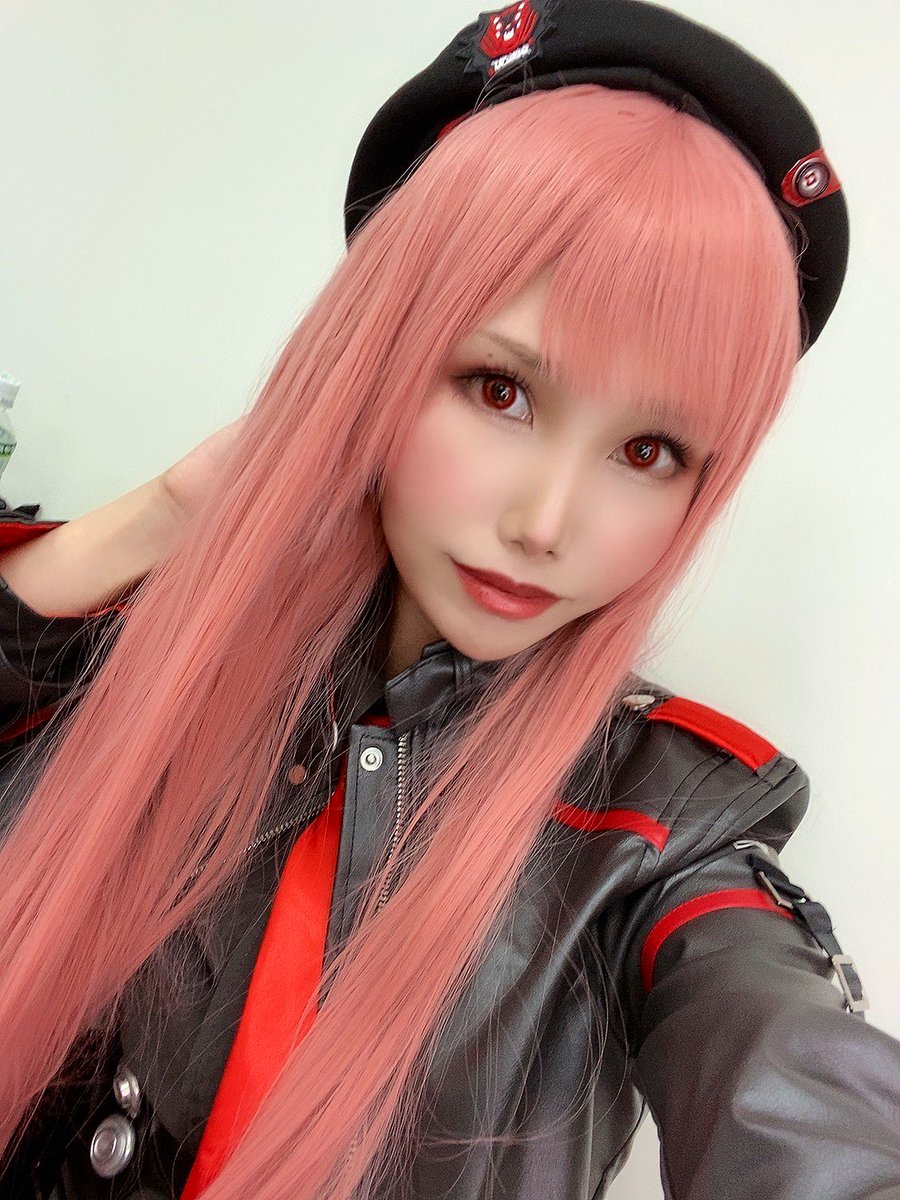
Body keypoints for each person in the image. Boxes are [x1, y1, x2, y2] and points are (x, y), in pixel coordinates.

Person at [0, 2, 898, 1198]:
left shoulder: (660, 835)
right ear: (378, 360)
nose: (545, 523)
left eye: (648, 453)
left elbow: (788, 1078)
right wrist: (163, 518)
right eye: (500, 390)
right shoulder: (162, 647)